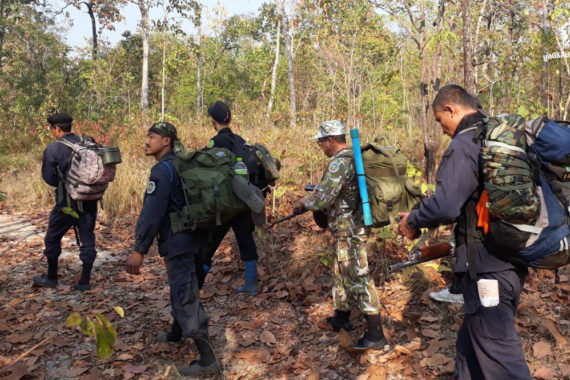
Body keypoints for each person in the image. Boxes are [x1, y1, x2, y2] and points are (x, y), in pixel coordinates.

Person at [398, 84, 531, 379]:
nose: (441, 128)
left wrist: (413, 220)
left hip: (488, 269)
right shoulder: (497, 138)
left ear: (450, 109)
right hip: (510, 259)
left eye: (439, 119)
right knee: (471, 344)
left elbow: (446, 206)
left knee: (499, 354)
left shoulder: (464, 144)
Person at [125, 122, 218, 376]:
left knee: (184, 295)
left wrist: (139, 249)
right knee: (186, 287)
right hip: (198, 239)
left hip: (179, 243)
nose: (146, 141)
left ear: (166, 141)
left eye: (152, 136)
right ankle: (176, 334)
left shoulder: (162, 170)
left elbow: (151, 213)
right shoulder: (183, 163)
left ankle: (208, 359)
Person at [294, 120, 387, 351]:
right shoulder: (353, 158)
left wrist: (303, 203)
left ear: (330, 140)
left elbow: (323, 198)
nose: (320, 146)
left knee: (358, 276)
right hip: (348, 228)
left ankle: (376, 334)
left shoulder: (339, 164)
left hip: (351, 229)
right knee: (341, 273)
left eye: (320, 142)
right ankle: (341, 318)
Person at [197, 101, 260, 296]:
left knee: (210, 243)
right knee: (245, 239)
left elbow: (206, 172)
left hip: (224, 204)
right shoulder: (241, 141)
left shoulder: (216, 142)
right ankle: (251, 284)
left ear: (213, 121)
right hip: (244, 200)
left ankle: (196, 285)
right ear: (229, 119)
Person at [33, 113, 98, 292]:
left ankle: (52, 277)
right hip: (90, 200)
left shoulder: (54, 148)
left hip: (66, 202)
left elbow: (49, 178)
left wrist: (65, 183)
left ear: (57, 129)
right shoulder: (88, 143)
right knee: (87, 239)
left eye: (52, 129)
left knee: (52, 237)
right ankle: (84, 281)